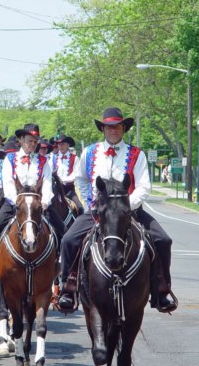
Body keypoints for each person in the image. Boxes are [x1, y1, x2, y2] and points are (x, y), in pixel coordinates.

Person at [56, 107, 178, 314]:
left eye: (117, 126)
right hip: (98, 211)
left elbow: (143, 186)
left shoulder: (136, 154)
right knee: (69, 240)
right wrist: (90, 203)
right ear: (103, 129)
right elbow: (81, 179)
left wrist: (126, 206)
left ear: (123, 128)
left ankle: (162, 289)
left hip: (129, 211)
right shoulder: (89, 152)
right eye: (109, 127)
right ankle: (68, 288)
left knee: (163, 240)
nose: (113, 130)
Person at [0, 123, 65, 285]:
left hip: (38, 205)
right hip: (15, 204)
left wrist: (44, 202)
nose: (32, 144)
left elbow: (47, 183)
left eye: (35, 141)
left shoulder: (44, 161)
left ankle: (60, 265)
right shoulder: (10, 159)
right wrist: (17, 201)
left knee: (62, 230)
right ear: (21, 139)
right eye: (30, 140)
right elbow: (8, 183)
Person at [50, 134, 83, 213]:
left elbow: (76, 174)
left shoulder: (75, 158)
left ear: (68, 145)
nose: (61, 146)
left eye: (63, 144)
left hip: (69, 191)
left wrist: (63, 180)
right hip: (55, 191)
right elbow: (49, 172)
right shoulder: (52, 158)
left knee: (81, 208)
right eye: (59, 144)